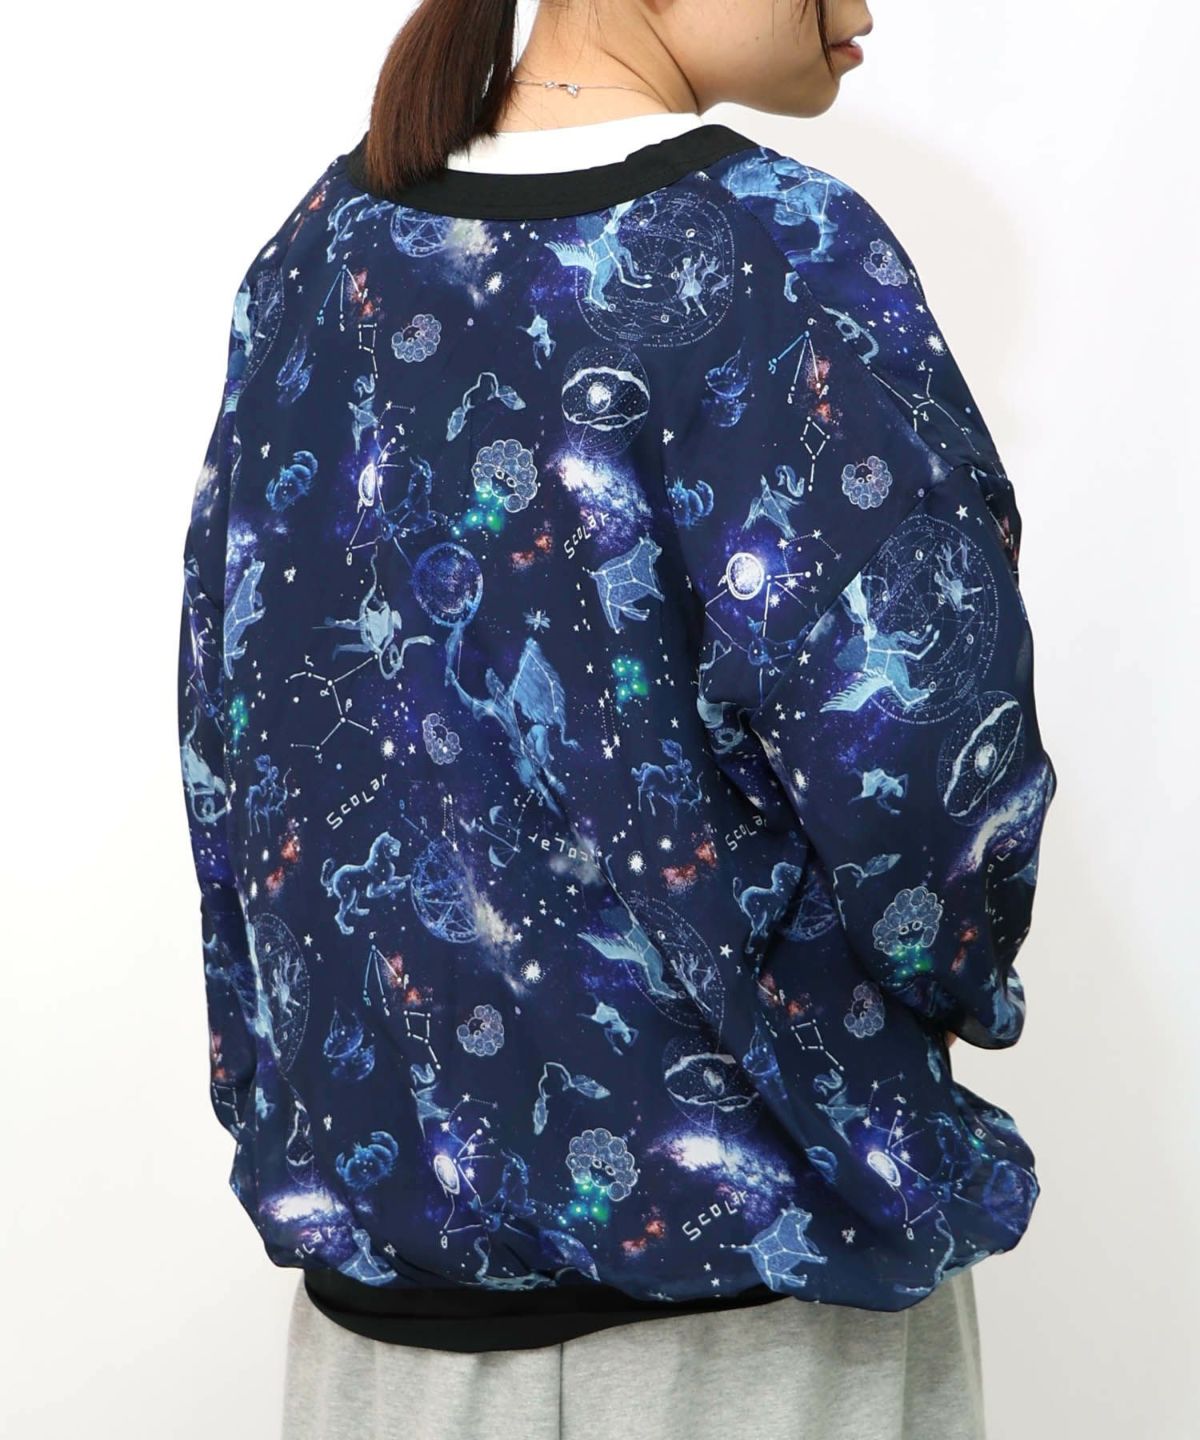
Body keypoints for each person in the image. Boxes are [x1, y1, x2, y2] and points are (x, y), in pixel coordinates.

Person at [175, 1, 1059, 1435]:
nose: (864, 7)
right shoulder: (778, 255)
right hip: (750, 1331)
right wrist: (944, 996)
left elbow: (231, 757)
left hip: (387, 1345)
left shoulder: (314, 263)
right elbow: (929, 774)